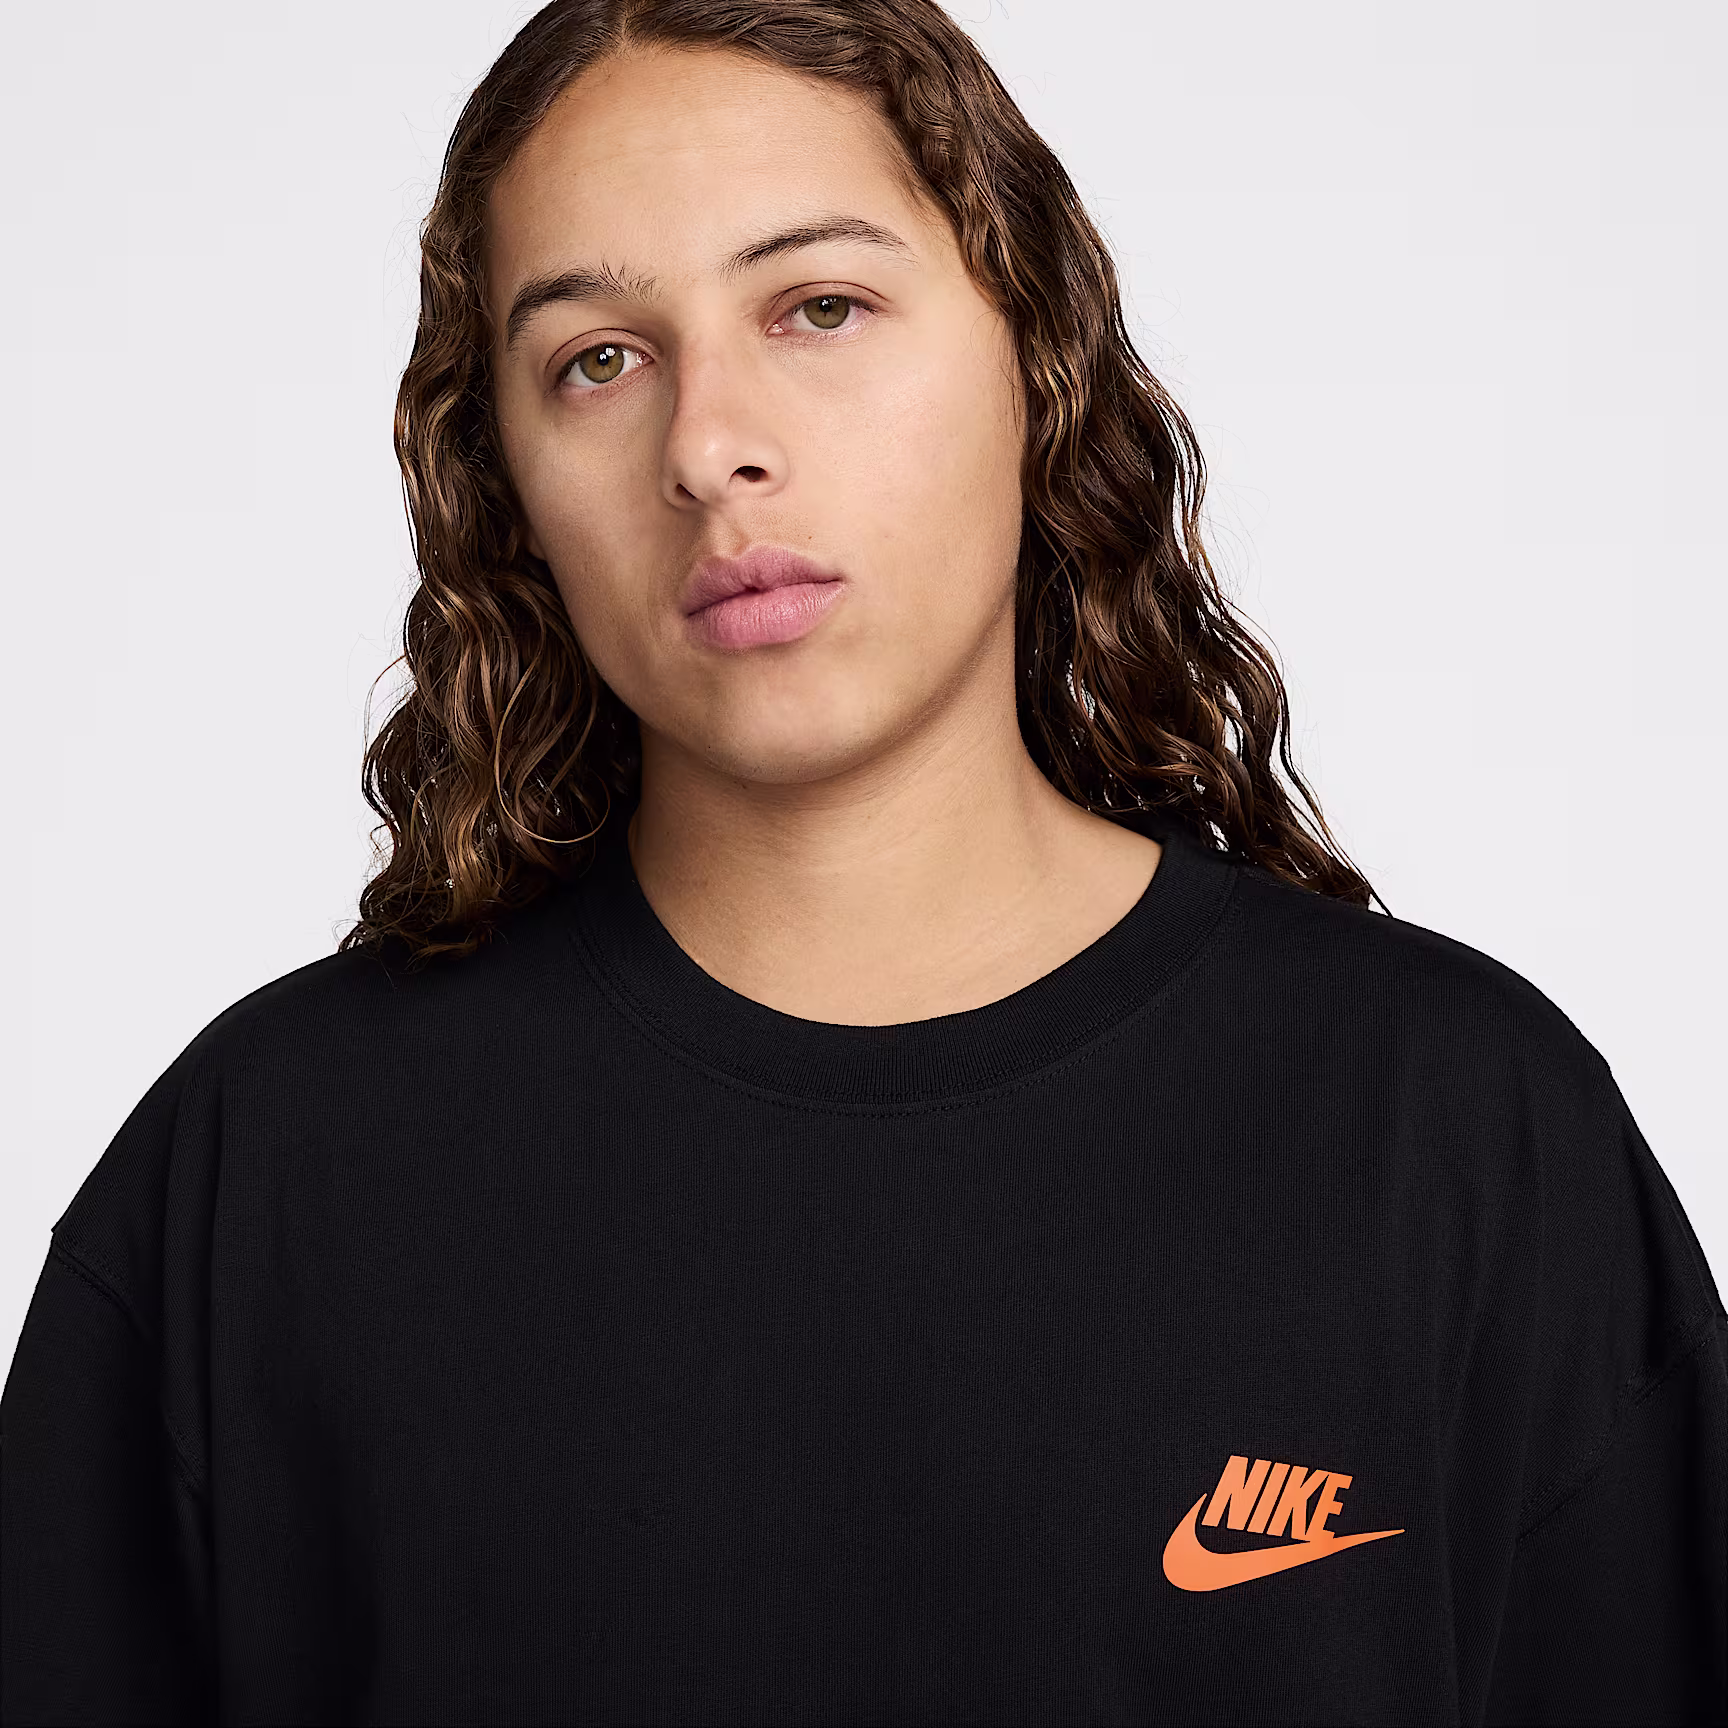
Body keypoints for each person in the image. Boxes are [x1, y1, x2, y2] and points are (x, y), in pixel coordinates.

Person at [3, 0, 1723, 1721]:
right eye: (598, 359)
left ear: (1035, 354)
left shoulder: (1451, 1132)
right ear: (503, 480)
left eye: (819, 307)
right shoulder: (268, 1173)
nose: (707, 447)